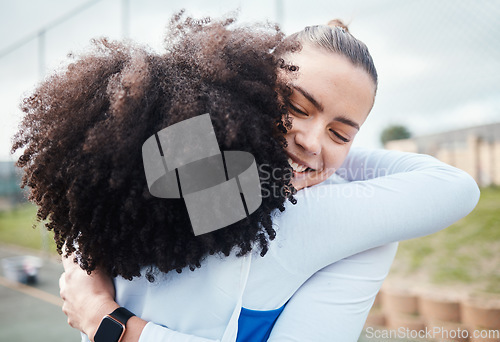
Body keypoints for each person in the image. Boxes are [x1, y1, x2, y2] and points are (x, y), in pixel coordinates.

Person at [14, 12, 479, 342]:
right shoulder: (183, 155)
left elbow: (455, 188)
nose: (311, 139)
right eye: (296, 108)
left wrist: (107, 322)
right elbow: (88, 199)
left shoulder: (326, 212)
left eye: (341, 132)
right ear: (245, 85)